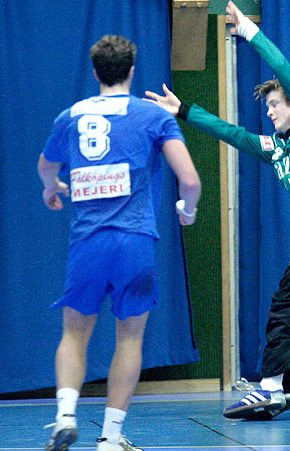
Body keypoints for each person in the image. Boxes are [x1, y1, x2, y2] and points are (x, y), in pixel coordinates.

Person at [145, 1, 290, 421]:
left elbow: (284, 69)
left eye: (275, 105)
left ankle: (267, 387)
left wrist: (248, 31)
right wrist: (183, 111)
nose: (269, 112)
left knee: (285, 301)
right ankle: (284, 388)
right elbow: (232, 134)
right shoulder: (275, 149)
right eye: (266, 107)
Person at [38, 35, 201, 450]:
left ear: (95, 72)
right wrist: (188, 209)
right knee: (129, 338)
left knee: (74, 334)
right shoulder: (152, 116)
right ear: (131, 70)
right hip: (135, 243)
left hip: (87, 244)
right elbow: (190, 180)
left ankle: (65, 415)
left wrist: (51, 188)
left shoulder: (71, 116)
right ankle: (110, 437)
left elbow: (46, 165)